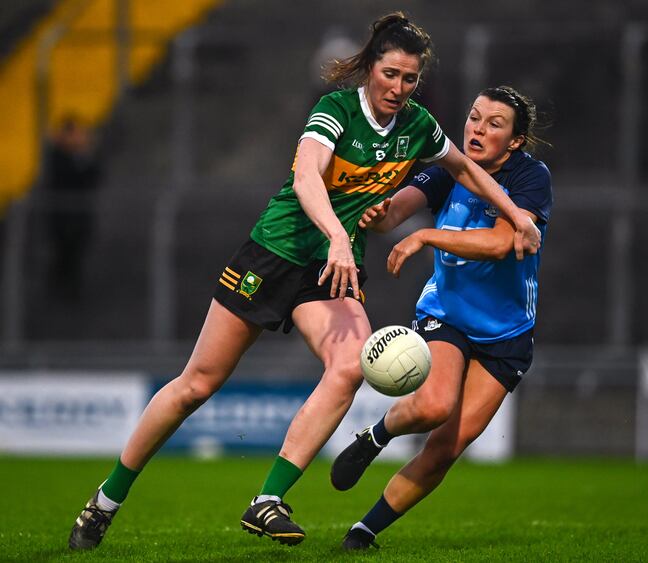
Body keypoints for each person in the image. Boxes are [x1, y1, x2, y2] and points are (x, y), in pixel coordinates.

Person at [67, 14, 541, 551]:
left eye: (410, 79)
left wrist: (515, 215)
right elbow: (305, 176)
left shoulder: (417, 125)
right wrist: (338, 235)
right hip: (274, 253)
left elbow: (466, 170)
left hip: (330, 271)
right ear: (369, 68)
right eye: (390, 74)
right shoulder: (335, 110)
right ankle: (106, 499)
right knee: (195, 386)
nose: (398, 88)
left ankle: (268, 498)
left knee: (348, 366)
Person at [329, 85, 553, 550]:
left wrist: (427, 236)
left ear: (514, 142)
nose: (478, 128)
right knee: (433, 407)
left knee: (445, 449)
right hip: (446, 314)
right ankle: (377, 435)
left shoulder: (530, 177)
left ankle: (364, 531)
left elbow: (499, 243)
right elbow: (396, 214)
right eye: (474, 117)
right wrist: (379, 211)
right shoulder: (448, 171)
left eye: (495, 124)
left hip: (508, 334)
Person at [44, 115, 102, 300]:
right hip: (61, 217)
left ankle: (71, 291)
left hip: (79, 217)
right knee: (63, 254)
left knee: (75, 255)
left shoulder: (82, 157)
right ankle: (58, 289)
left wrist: (84, 157)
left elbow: (94, 178)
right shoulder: (56, 157)